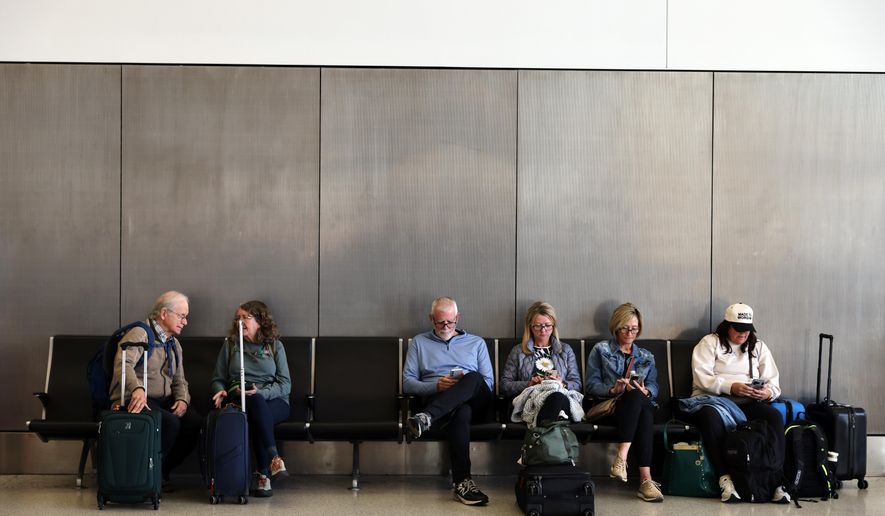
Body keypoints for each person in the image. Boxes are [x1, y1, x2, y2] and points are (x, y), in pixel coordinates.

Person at [681, 302, 789, 503]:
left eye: (747, 330)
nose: (743, 334)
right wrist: (730, 387)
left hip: (748, 401)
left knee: (774, 416)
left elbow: (774, 384)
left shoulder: (758, 347)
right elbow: (701, 378)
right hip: (713, 400)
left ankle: (776, 480)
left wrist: (766, 393)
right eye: (738, 330)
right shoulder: (710, 343)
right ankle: (725, 478)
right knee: (710, 417)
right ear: (726, 326)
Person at [403, 296, 494, 506]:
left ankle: (425, 418)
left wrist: (462, 386)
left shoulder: (476, 342)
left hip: (476, 401)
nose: (445, 326)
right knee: (460, 411)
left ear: (457, 318)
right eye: (440, 322)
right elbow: (407, 383)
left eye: (450, 322)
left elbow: (488, 383)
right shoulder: (419, 342)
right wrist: (436, 386)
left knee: (474, 377)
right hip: (440, 400)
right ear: (431, 319)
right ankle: (463, 483)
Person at [109, 291, 202, 485]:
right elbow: (122, 364)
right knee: (169, 423)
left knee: (193, 422)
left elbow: (180, 380)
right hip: (134, 397)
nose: (185, 322)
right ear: (164, 313)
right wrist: (137, 388)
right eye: (182, 316)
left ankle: (161, 470)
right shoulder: (140, 333)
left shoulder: (174, 344)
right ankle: (146, 472)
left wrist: (182, 399)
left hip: (163, 399)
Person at [210, 300, 291, 497]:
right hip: (240, 397)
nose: (240, 321)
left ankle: (263, 473)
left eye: (246, 317)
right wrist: (220, 390)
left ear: (260, 320)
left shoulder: (275, 346)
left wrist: (261, 393)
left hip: (274, 400)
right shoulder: (231, 345)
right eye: (238, 318)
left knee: (256, 406)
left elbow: (285, 384)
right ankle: (273, 462)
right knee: (254, 407)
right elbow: (218, 379)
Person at [585, 302, 663, 503]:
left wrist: (647, 390)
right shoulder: (601, 350)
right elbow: (591, 385)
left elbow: (654, 386)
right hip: (610, 409)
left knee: (639, 398)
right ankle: (646, 480)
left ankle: (622, 458)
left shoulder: (646, 356)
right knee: (638, 402)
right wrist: (613, 390)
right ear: (616, 327)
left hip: (638, 410)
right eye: (625, 328)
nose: (630, 333)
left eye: (634, 329)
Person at [500, 301, 583, 427]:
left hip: (560, 398)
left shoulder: (565, 350)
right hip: (532, 400)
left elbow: (577, 384)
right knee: (553, 406)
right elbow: (505, 385)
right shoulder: (519, 351)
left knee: (556, 397)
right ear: (530, 327)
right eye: (538, 326)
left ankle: (537, 439)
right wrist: (529, 384)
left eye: (547, 325)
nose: (543, 330)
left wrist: (562, 383)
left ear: (554, 326)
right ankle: (546, 440)